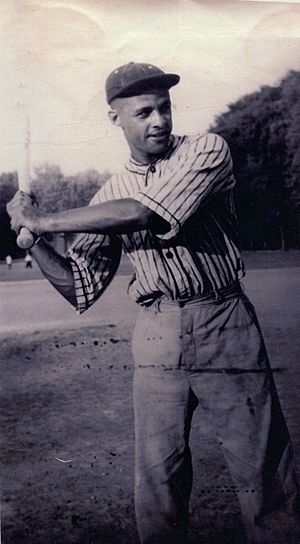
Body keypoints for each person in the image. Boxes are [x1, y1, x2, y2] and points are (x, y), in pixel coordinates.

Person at [7, 62, 299, 544]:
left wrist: (44, 221)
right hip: (157, 330)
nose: (159, 121)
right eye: (144, 112)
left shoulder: (205, 151)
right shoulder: (108, 194)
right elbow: (80, 286)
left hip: (223, 320)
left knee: (265, 477)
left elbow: (146, 210)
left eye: (164, 108)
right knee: (158, 486)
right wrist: (32, 240)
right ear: (115, 119)